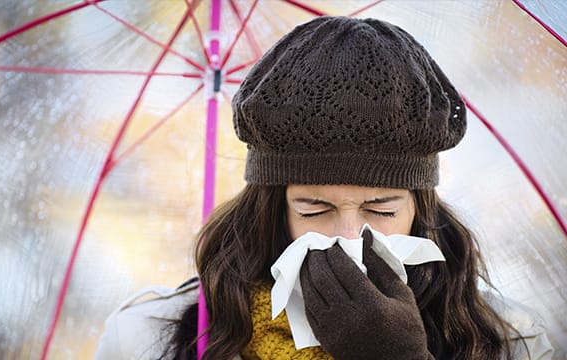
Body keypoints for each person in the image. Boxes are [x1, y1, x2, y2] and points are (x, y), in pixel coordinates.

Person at [95, 16, 553, 359]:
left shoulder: (510, 341)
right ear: (272, 209)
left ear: (420, 206)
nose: (349, 237)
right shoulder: (147, 336)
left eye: (382, 209)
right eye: (314, 209)